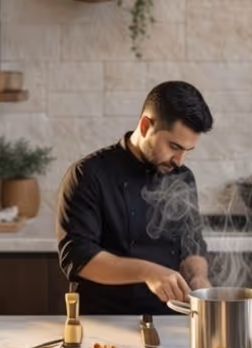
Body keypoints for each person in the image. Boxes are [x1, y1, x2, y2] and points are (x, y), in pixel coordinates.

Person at [56, 81, 213, 314]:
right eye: (173, 146)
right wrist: (148, 272)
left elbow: (192, 244)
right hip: (106, 320)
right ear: (145, 125)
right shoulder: (88, 175)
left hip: (170, 319)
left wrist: (198, 278)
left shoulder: (182, 177)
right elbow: (78, 257)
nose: (179, 160)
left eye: (186, 151)